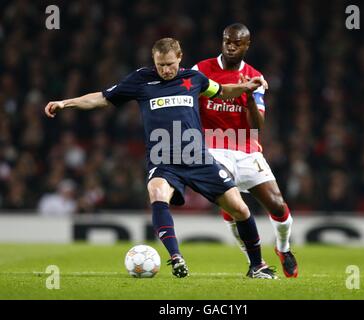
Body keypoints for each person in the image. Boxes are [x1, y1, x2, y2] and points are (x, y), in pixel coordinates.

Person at [44, 37, 278, 279]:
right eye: (160, 65)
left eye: (169, 64)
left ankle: (257, 265)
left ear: (179, 58)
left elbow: (222, 91)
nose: (165, 70)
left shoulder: (194, 79)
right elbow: (102, 98)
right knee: (157, 193)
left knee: (240, 209)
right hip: (163, 159)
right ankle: (176, 257)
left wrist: (247, 87)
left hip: (198, 157)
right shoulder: (141, 80)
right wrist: (65, 103)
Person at [192, 23, 298, 278]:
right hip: (213, 146)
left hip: (247, 149)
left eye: (237, 42)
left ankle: (283, 248)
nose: (230, 45)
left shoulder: (255, 77)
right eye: (227, 40)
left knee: (278, 206)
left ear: (246, 45)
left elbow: (257, 125)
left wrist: (249, 95)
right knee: (233, 206)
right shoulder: (201, 70)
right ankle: (253, 261)